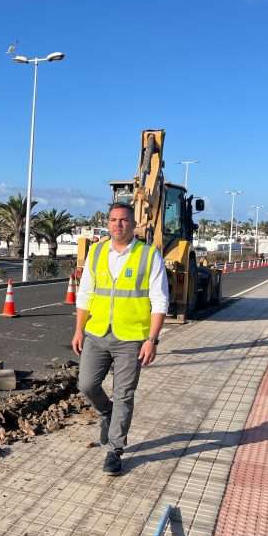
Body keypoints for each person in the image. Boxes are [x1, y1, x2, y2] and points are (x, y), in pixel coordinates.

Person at [71, 203, 169, 475]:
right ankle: (106, 413)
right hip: (97, 332)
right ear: (108, 223)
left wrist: (152, 339)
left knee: (124, 394)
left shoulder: (149, 256)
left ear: (134, 223)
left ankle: (115, 449)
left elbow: (160, 301)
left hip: (131, 338)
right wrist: (79, 329)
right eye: (113, 220)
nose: (118, 225)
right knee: (87, 384)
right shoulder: (98, 251)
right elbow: (85, 293)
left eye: (123, 220)